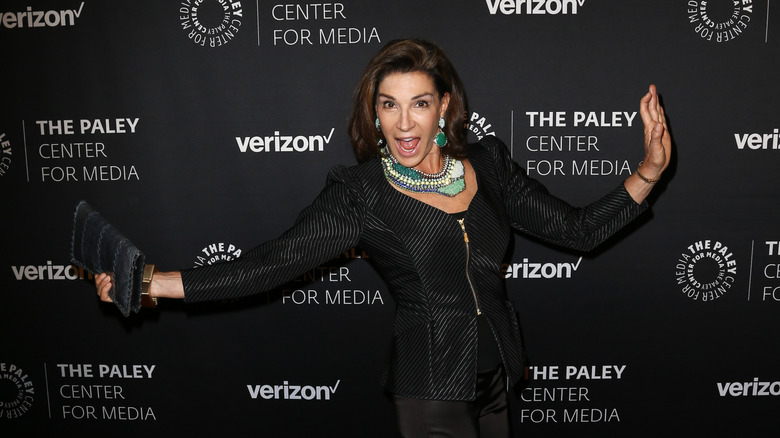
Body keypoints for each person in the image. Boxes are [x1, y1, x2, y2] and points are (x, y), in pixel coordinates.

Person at [95, 38, 671, 437]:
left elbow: (576, 229)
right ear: (373, 113)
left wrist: (647, 170)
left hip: (497, 374)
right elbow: (271, 263)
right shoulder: (359, 193)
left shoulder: (489, 162)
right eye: (388, 106)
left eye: (419, 104)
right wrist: (152, 284)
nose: (403, 125)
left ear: (444, 106)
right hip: (430, 391)